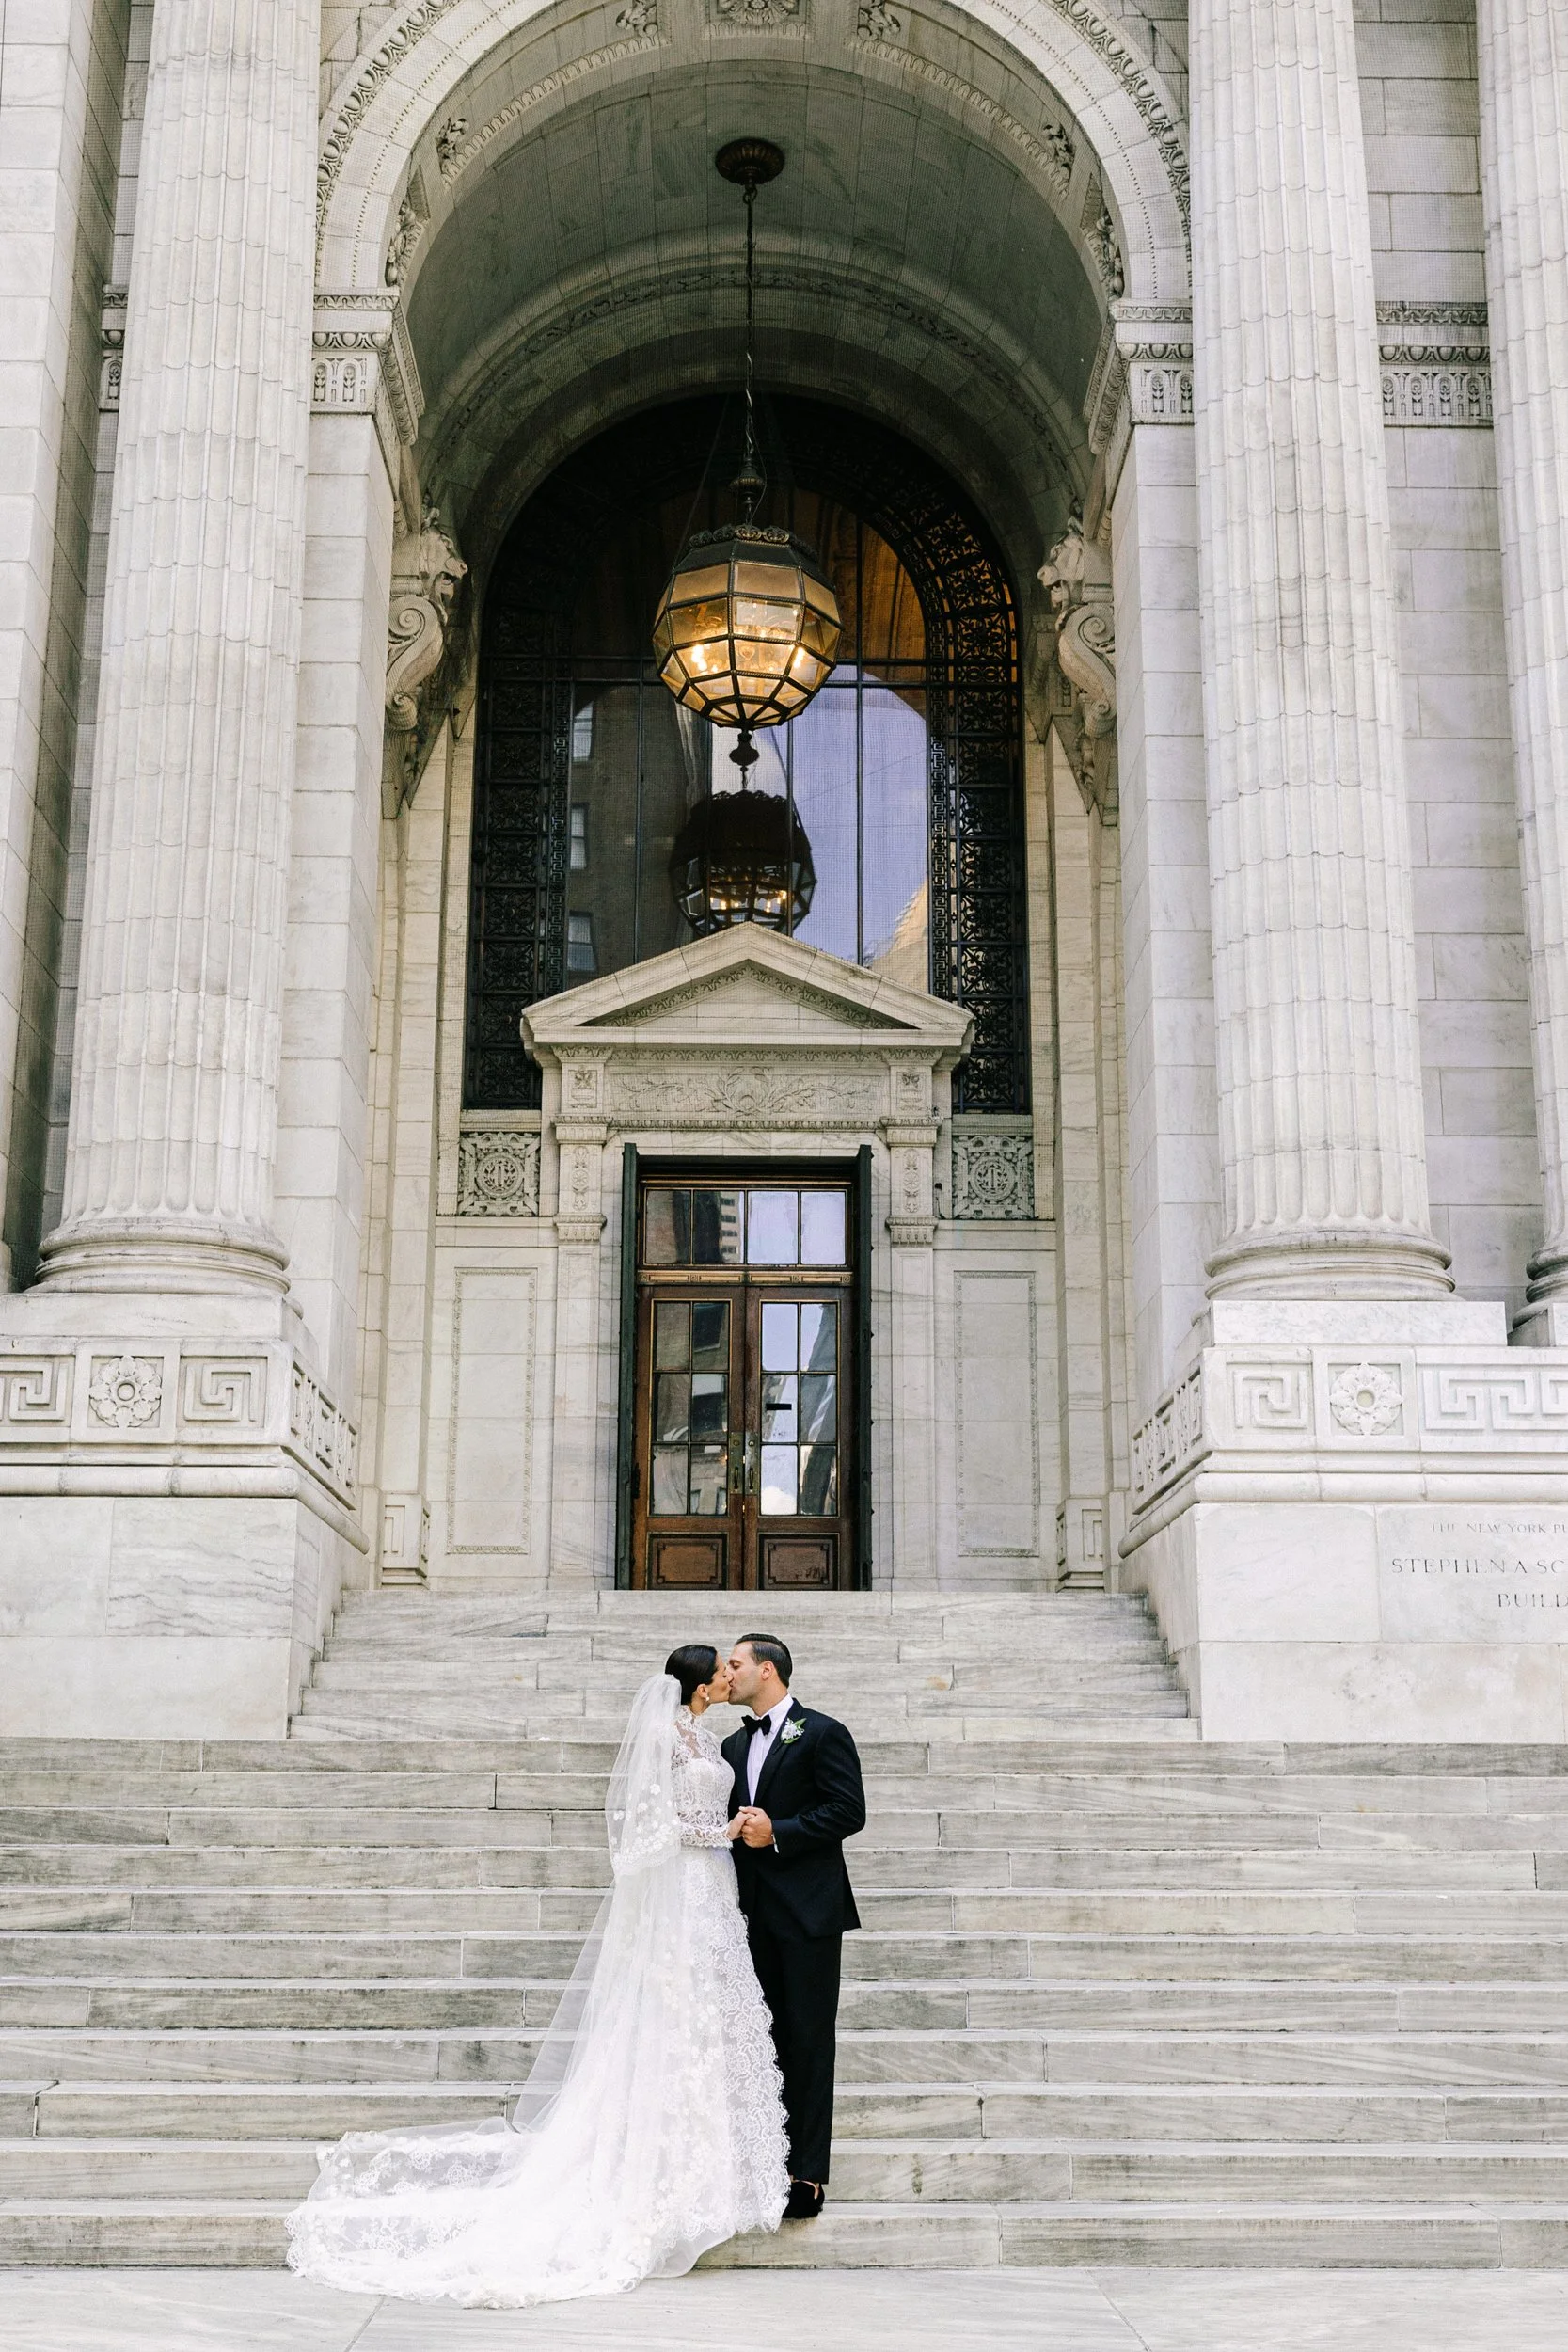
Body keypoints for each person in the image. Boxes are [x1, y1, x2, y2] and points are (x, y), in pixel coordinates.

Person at [284, 1645, 788, 2308]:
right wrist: (715, 1833)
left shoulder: (707, 1735)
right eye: (721, 1670)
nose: (730, 1675)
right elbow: (641, 1830)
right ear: (698, 1684)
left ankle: (707, 2163)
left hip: (712, 1890)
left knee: (703, 2016)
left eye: (735, 1667)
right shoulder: (664, 1738)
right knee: (672, 2007)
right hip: (683, 1887)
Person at [723, 1632, 866, 2222]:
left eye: (735, 1664)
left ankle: (805, 2174)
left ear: (768, 1670)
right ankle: (759, 2159)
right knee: (758, 2042)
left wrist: (778, 1829)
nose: (726, 1674)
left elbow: (848, 1810)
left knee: (807, 2039)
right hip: (746, 1912)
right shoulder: (731, 1745)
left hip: (808, 1912)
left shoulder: (823, 1732)